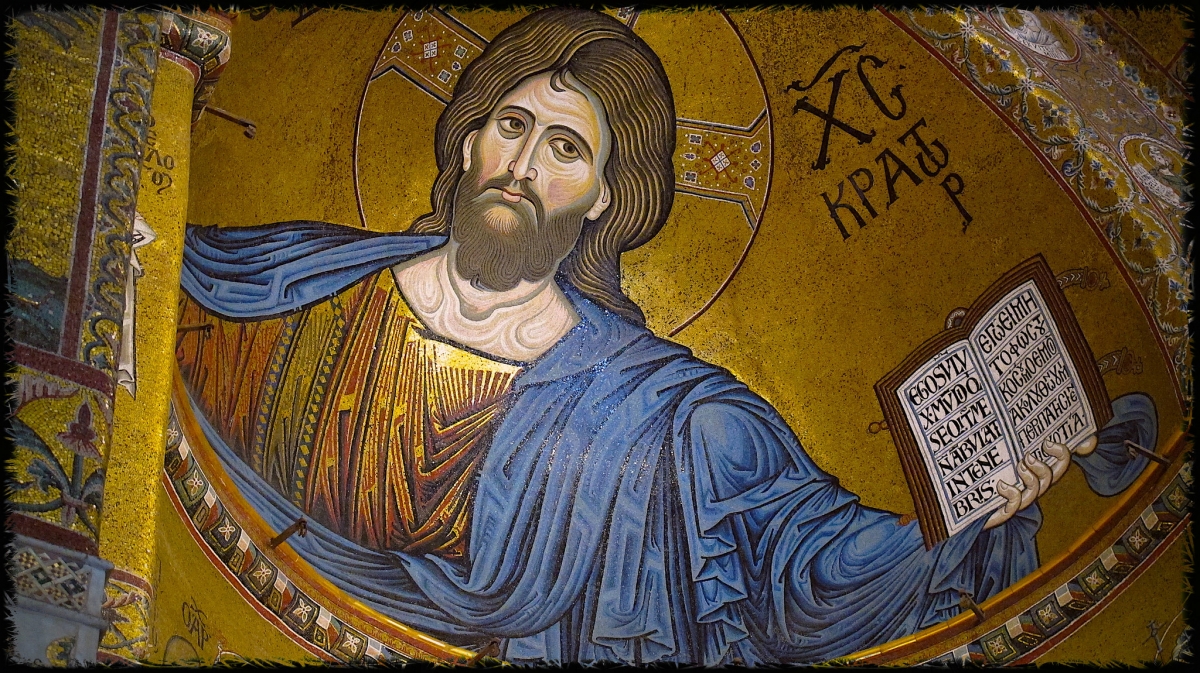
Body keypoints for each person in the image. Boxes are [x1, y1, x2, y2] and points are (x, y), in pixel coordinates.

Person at [177, 8, 1157, 665]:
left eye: (566, 147)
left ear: (605, 195)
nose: (524, 164)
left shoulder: (672, 417)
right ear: (468, 139)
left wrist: (973, 508)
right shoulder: (292, 283)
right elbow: (157, 291)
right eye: (511, 125)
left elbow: (800, 566)